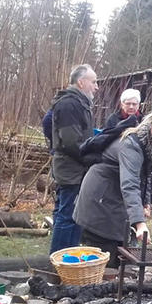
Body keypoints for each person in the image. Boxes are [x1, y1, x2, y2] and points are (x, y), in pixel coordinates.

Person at [74, 109, 152, 267]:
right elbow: (130, 183)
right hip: (100, 199)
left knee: (123, 250)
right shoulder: (131, 144)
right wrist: (139, 222)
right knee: (105, 256)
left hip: (117, 199)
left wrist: (145, 203)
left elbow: (145, 177)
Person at [48, 64, 98, 254]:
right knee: (67, 217)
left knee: (76, 216)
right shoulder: (69, 104)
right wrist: (93, 157)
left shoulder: (80, 103)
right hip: (70, 170)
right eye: (93, 82)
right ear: (81, 82)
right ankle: (58, 262)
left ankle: (70, 260)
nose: (96, 86)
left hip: (77, 169)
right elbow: (71, 142)